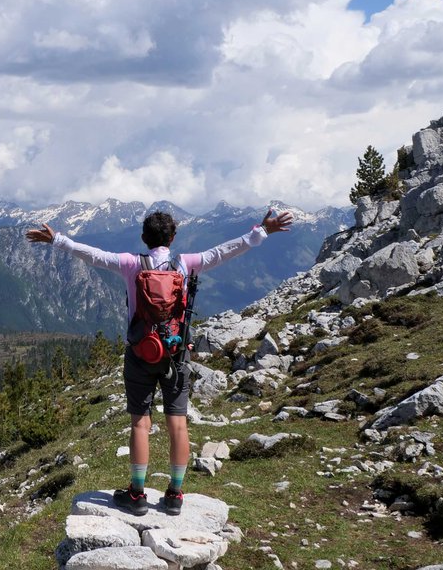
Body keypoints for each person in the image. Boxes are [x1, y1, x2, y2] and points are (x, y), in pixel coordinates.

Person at [26, 207, 293, 515]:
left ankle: (137, 494)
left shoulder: (130, 264)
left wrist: (56, 239)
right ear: (174, 237)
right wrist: (261, 231)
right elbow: (225, 251)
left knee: (140, 422)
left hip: (140, 352)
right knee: (177, 424)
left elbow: (92, 255)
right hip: (177, 354)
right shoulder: (187, 263)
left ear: (143, 238)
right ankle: (175, 494)